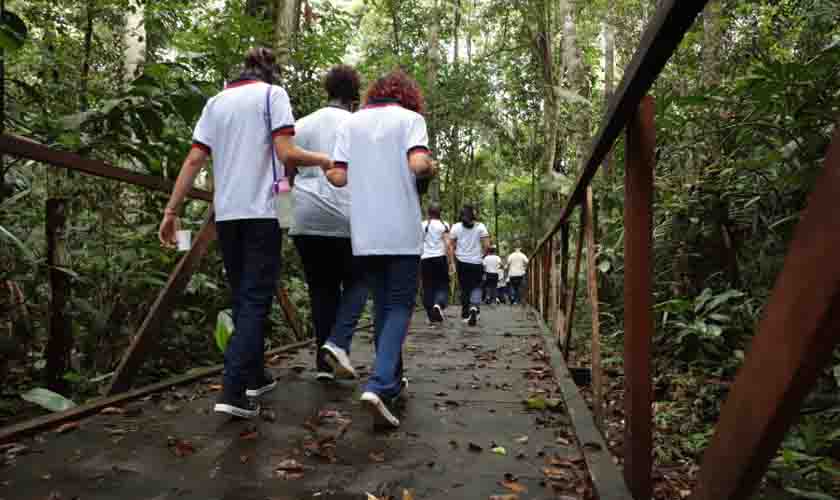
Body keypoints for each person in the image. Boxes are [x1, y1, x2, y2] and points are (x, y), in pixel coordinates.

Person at [158, 47, 332, 419]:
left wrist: (172, 210)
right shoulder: (273, 96)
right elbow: (286, 154)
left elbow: (194, 159)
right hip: (262, 214)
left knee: (244, 296)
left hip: (227, 216)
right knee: (255, 299)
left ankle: (255, 375)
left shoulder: (216, 103)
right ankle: (233, 390)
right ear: (271, 74)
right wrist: (324, 159)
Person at [321, 69, 437, 428]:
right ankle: (380, 382)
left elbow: (337, 176)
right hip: (400, 229)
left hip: (365, 232)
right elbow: (418, 163)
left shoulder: (350, 124)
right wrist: (430, 165)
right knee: (401, 304)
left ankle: (390, 383)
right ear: (407, 97)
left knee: (383, 304)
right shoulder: (410, 120)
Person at [287, 65, 368, 382]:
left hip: (305, 218)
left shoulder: (301, 125)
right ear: (354, 95)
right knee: (360, 282)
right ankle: (338, 343)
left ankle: (324, 365)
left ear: (328, 90)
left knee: (321, 289)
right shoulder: (359, 125)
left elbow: (286, 175)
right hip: (349, 217)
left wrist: (284, 217)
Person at [449, 205, 490, 326]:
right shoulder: (480, 227)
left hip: (462, 262)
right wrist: (482, 255)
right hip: (476, 262)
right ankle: (474, 308)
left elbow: (450, 245)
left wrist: (452, 261)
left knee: (465, 288)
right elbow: (487, 245)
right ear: (473, 215)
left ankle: (465, 313)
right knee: (477, 286)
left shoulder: (456, 227)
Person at [421, 205, 450, 324]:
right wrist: (451, 262)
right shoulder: (445, 225)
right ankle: (438, 304)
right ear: (440, 213)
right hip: (440, 258)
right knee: (442, 284)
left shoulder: (422, 225)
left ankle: (430, 314)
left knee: (428, 286)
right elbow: (448, 244)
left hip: (425, 259)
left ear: (428, 213)